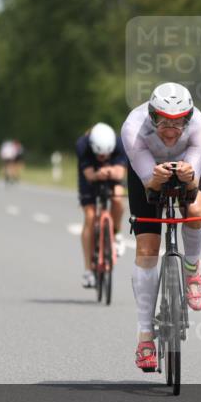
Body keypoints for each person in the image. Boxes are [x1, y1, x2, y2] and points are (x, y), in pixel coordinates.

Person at [121, 82, 201, 372]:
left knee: (196, 211)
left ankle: (192, 270)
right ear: (151, 115)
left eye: (178, 123)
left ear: (189, 117)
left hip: (187, 167)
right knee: (147, 248)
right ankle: (145, 335)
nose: (171, 130)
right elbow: (149, 183)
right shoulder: (133, 128)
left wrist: (188, 176)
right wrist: (157, 178)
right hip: (146, 173)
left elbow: (194, 183)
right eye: (163, 122)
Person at [76, 123, 128, 288]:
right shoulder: (83, 145)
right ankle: (87, 271)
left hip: (111, 175)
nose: (103, 158)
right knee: (90, 216)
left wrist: (111, 172)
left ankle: (117, 234)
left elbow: (120, 173)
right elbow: (89, 175)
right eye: (100, 156)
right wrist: (98, 173)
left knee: (118, 199)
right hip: (89, 178)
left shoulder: (120, 144)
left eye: (106, 155)